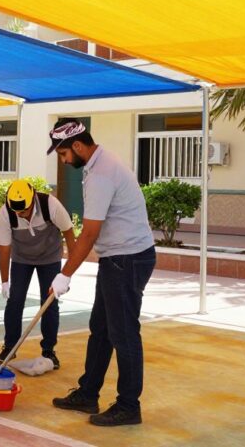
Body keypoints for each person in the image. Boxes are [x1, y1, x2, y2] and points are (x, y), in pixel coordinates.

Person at [46, 118, 156, 427]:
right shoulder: (98, 164)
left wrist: (64, 274)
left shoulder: (101, 174)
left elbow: (90, 233)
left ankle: (128, 406)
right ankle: (88, 393)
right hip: (118, 258)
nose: (65, 162)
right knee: (102, 329)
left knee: (123, 334)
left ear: (77, 146)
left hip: (128, 259)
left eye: (64, 155)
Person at [0, 179, 76, 369]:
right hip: (21, 259)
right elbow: (4, 249)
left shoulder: (50, 205)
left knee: (49, 302)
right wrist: (4, 281)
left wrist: (67, 274)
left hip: (50, 258)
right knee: (15, 301)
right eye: (16, 210)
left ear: (32, 201)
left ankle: (49, 350)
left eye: (23, 210)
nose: (20, 214)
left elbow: (70, 235)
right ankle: (10, 347)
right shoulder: (7, 213)